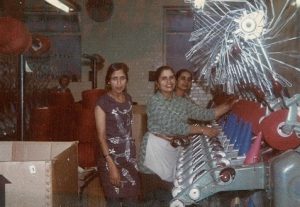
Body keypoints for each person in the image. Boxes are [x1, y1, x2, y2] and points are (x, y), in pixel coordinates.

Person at [138, 65, 235, 182]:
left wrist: (230, 104)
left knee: (172, 189)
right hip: (155, 150)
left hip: (171, 147)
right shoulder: (155, 101)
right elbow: (175, 127)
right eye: (164, 78)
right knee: (155, 188)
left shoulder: (180, 101)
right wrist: (203, 130)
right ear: (157, 84)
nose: (169, 81)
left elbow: (204, 114)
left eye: (171, 77)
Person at [95, 63, 140, 207]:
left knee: (132, 201)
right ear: (108, 81)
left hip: (128, 159)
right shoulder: (102, 103)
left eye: (122, 78)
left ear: (127, 80)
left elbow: (128, 129)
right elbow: (101, 136)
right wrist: (111, 165)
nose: (119, 83)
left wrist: (134, 156)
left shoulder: (128, 99)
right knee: (113, 202)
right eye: (114, 79)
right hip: (110, 159)